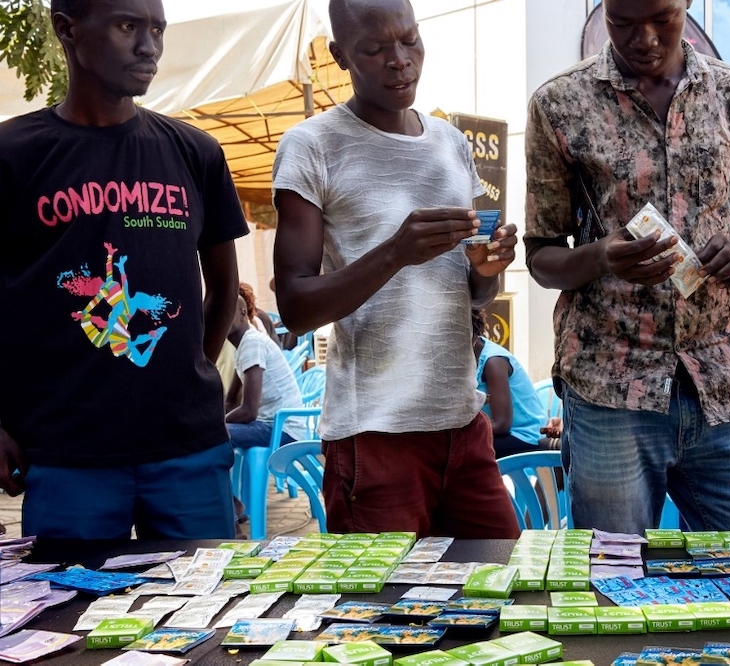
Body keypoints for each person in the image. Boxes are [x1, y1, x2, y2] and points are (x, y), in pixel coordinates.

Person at [523, 0, 730, 533]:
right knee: (615, 581)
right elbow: (541, 255)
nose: (643, 38)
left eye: (662, 19)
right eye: (622, 23)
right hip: (609, 387)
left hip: (719, 384)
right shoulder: (560, 103)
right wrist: (601, 256)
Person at [271, 0, 521, 538]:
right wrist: (394, 253)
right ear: (340, 56)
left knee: (502, 598)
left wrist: (486, 266)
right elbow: (294, 306)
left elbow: (477, 294)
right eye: (375, 48)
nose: (399, 59)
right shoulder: (312, 145)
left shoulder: (451, 144)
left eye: (409, 40)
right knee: (385, 615)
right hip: (374, 436)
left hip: (463, 424)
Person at [0, 0, 247, 539]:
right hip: (67, 453)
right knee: (71, 617)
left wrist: (187, 369)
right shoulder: (13, 155)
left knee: (202, 611)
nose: (149, 46)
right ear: (67, 30)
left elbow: (224, 285)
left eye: (157, 28)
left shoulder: (195, 152)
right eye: (128, 26)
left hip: (188, 448)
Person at [225, 295, 309, 449]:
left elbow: (249, 411)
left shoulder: (252, 343)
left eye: (227, 312)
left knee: (216, 437)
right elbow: (231, 401)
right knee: (210, 434)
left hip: (283, 430)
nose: (221, 318)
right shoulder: (243, 347)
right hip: (268, 425)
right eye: (217, 313)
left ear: (243, 313)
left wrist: (216, 425)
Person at [472, 309, 548, 458]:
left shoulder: (493, 361)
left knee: (464, 452)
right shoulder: (464, 360)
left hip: (526, 435)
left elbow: (501, 425)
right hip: (503, 433)